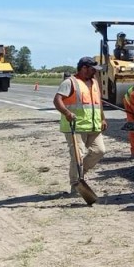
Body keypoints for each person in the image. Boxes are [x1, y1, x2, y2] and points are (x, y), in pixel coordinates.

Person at [52, 56, 108, 197]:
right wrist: (66, 112)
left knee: (99, 151)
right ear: (84, 68)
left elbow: (98, 102)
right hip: (75, 126)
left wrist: (103, 118)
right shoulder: (70, 82)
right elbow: (57, 100)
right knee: (78, 156)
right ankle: (76, 184)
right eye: (92, 69)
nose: (95, 72)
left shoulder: (94, 82)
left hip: (93, 125)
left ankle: (80, 174)